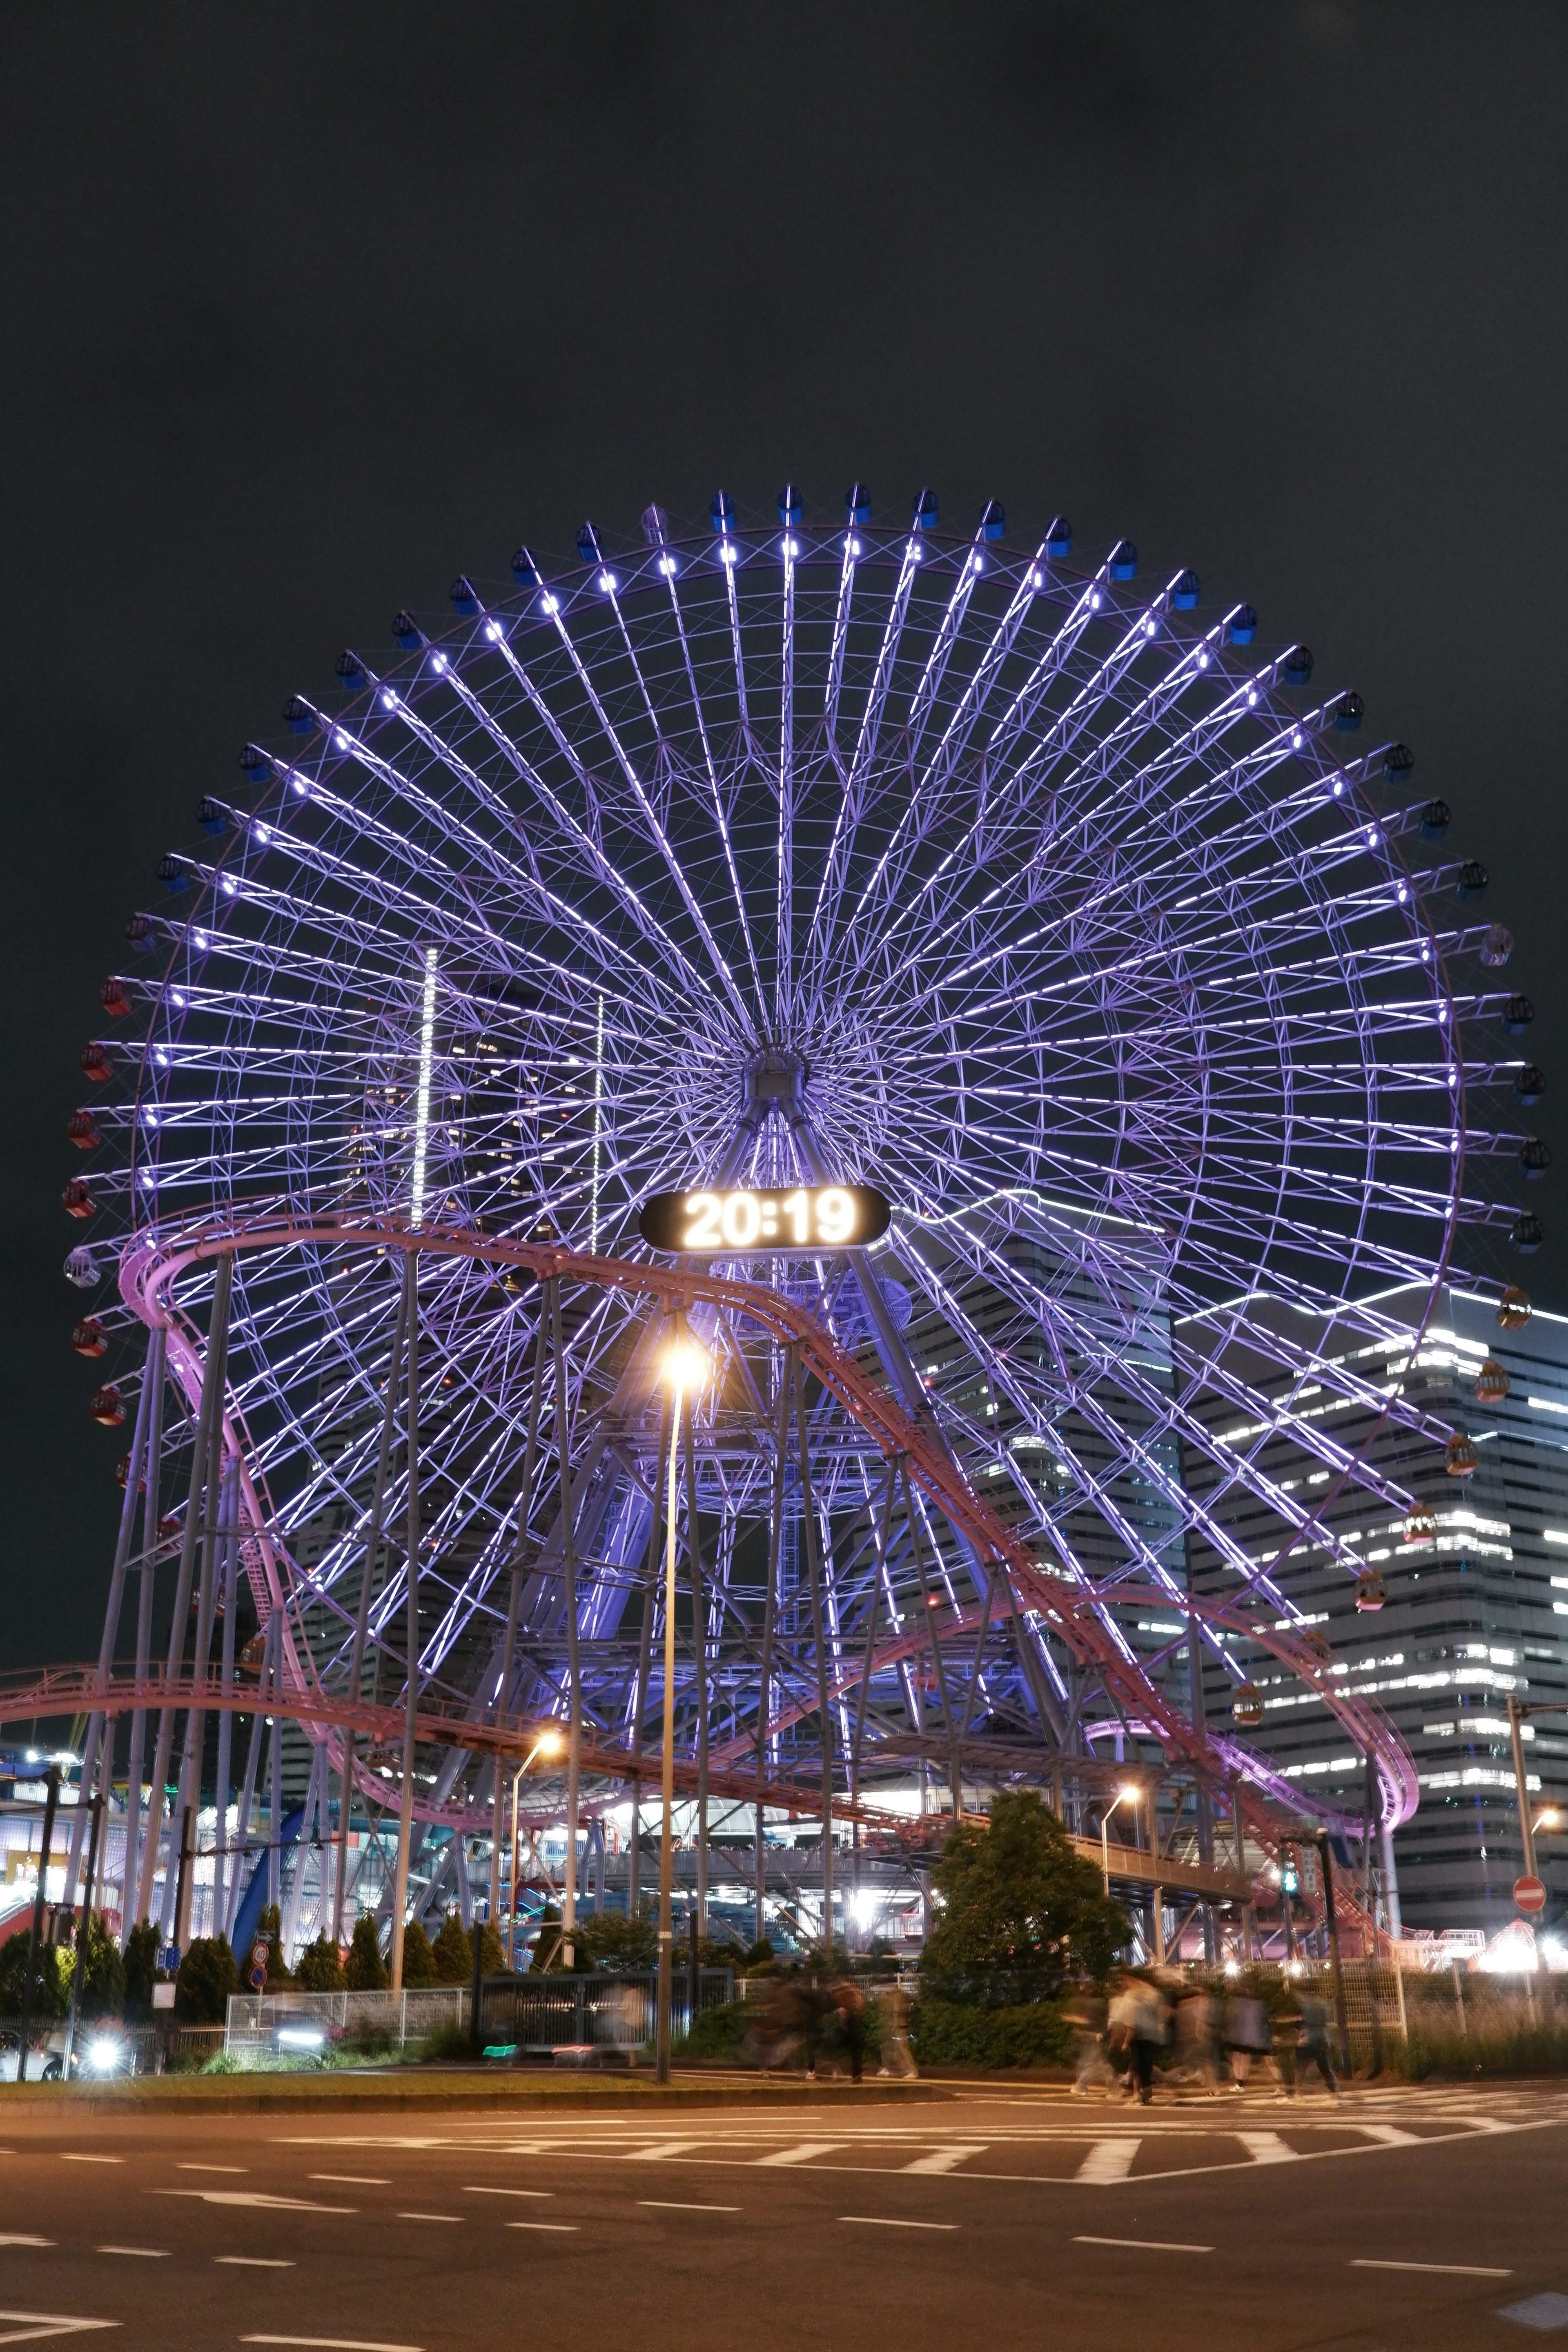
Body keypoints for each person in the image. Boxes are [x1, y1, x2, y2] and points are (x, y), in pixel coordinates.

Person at [1172, 1984, 1221, 2094]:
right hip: (1207, 2034)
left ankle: (1197, 2076)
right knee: (1206, 2062)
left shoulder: (1195, 2003)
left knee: (1193, 2061)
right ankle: (1214, 2088)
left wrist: (1198, 2032)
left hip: (1197, 2036)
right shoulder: (1209, 2002)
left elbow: (1199, 2019)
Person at [1223, 1985, 1273, 2090]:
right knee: (1245, 2059)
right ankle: (1241, 2082)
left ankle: (1239, 2083)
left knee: (1237, 2058)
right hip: (1249, 2037)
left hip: (1237, 2035)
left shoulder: (1235, 2005)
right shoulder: (1256, 2005)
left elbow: (1230, 2020)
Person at [1296, 1992, 1341, 2098]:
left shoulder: (1304, 2005)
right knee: (1325, 2068)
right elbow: (1328, 2019)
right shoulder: (1323, 2004)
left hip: (1307, 2040)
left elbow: (1299, 2022)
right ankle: (1334, 2092)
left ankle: (1298, 2094)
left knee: (1301, 2067)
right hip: (1321, 2039)